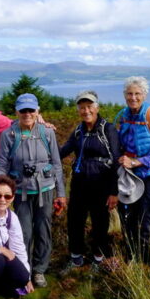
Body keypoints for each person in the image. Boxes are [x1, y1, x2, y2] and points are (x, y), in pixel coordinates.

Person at [0, 93, 66, 288]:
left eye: (31, 110)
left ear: (37, 111)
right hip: (20, 192)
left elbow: (57, 164)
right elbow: (2, 163)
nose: (27, 114)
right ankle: (24, 270)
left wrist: (61, 193)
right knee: (23, 233)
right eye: (23, 110)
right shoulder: (9, 135)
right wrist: (1, 191)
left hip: (45, 189)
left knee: (43, 231)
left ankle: (40, 270)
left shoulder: (47, 132)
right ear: (17, 112)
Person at [59, 90, 120, 272]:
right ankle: (76, 258)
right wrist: (43, 131)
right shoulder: (78, 131)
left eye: (89, 106)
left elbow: (116, 159)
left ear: (97, 107)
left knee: (100, 222)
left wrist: (114, 191)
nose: (86, 111)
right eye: (82, 107)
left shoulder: (107, 129)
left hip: (102, 184)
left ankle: (98, 259)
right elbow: (63, 151)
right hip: (79, 184)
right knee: (74, 221)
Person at [115, 77, 150, 264]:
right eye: (129, 94)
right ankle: (132, 261)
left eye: (137, 94)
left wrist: (137, 162)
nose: (133, 97)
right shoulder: (123, 115)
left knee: (143, 224)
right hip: (128, 178)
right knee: (127, 222)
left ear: (144, 95)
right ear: (124, 95)